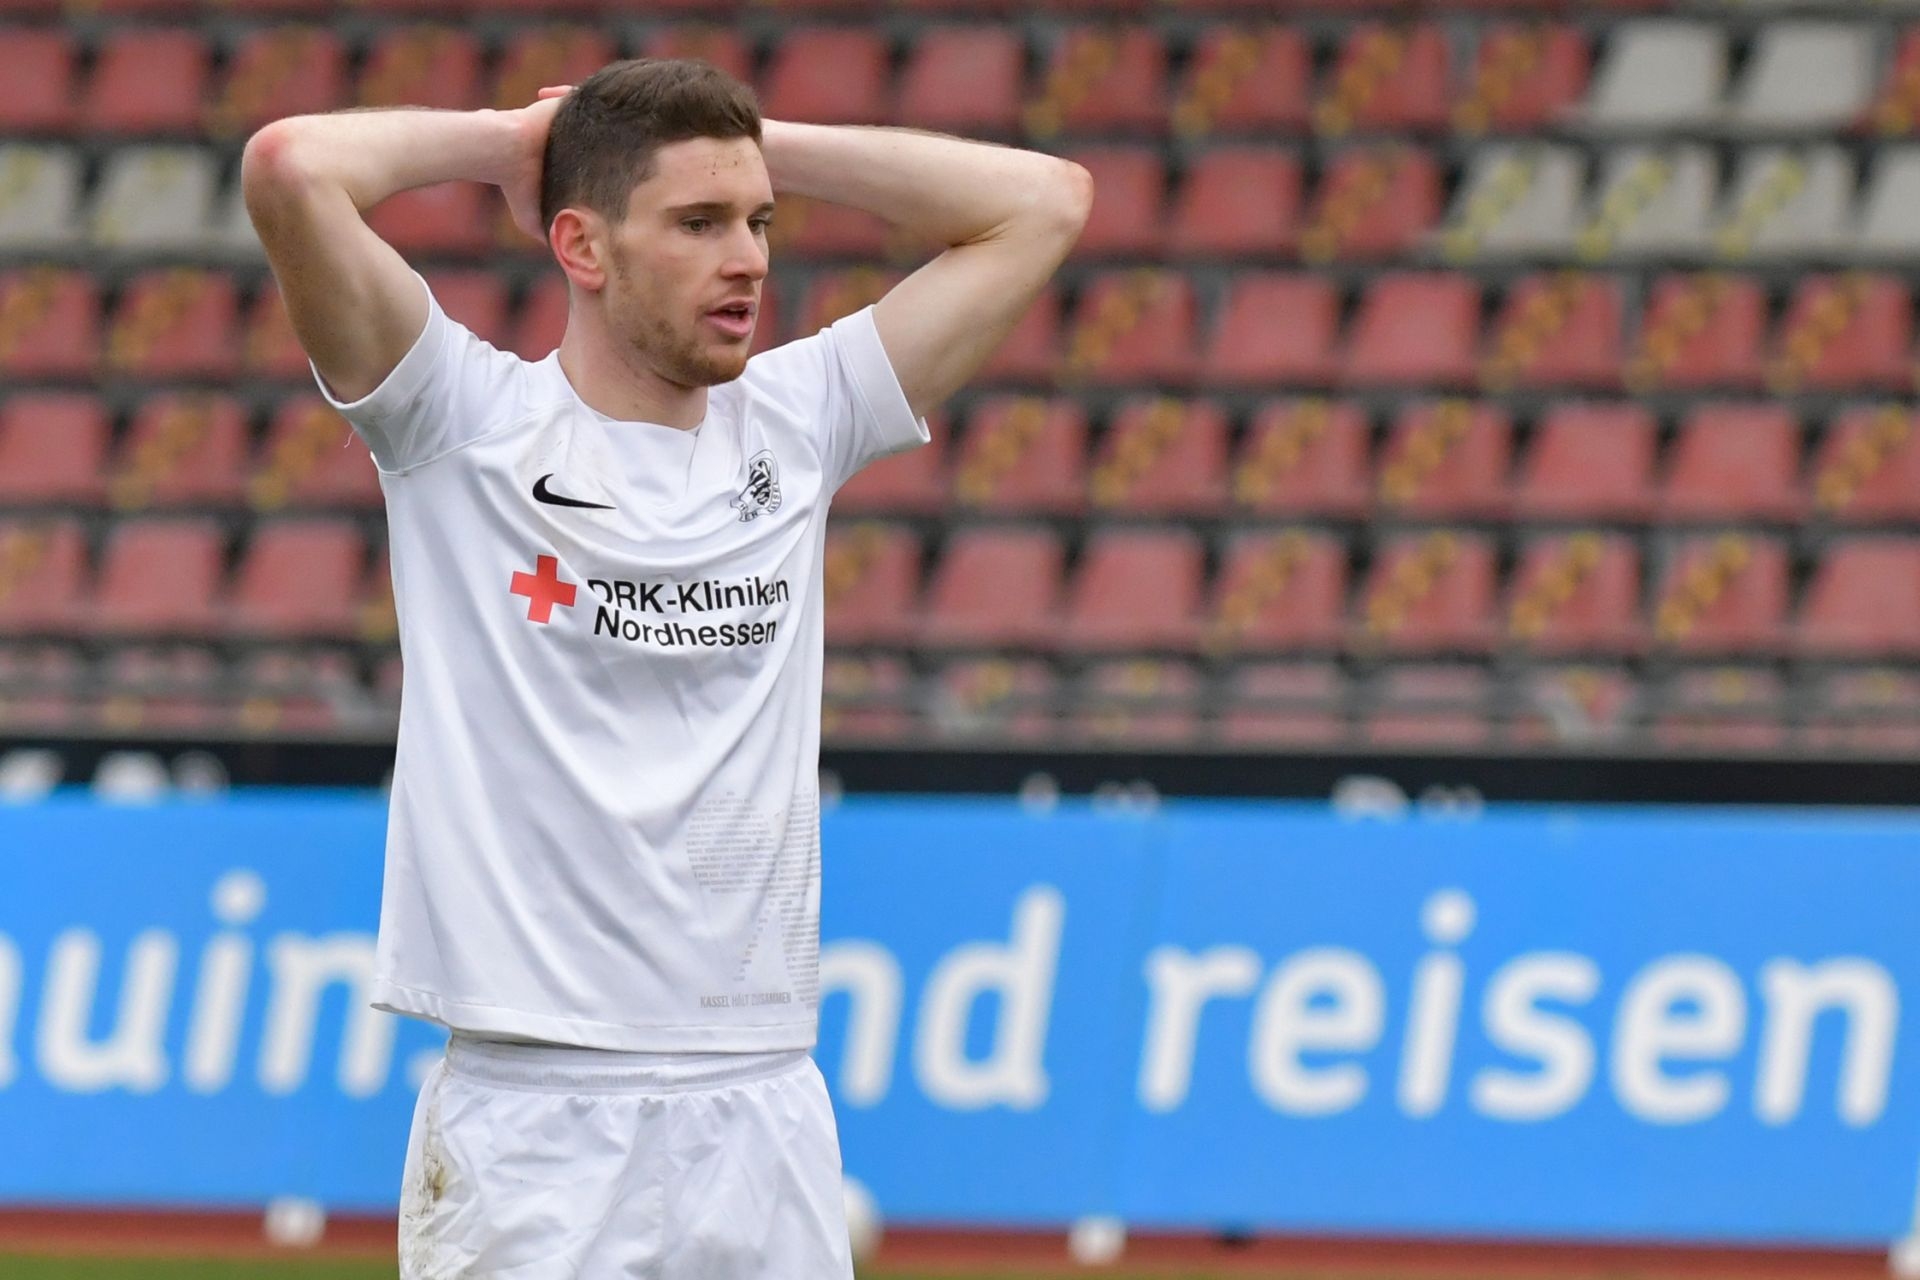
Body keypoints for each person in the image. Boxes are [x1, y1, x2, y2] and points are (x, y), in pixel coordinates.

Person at [241, 56, 1090, 1279]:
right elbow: (290, 168)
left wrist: (752, 147)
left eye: (759, 223)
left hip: (763, 1094)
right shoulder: (460, 422)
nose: (747, 260)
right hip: (538, 1113)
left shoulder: (801, 420)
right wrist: (512, 144)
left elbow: (1045, 202)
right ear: (581, 245)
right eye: (698, 224)